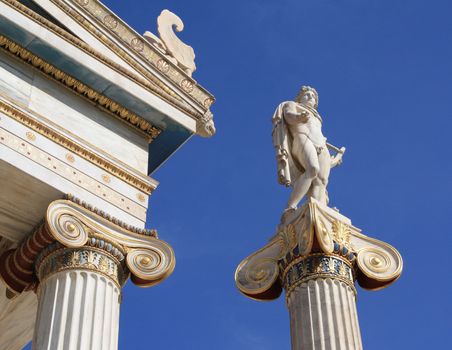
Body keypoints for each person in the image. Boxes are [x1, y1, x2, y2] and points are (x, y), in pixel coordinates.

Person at [272, 86, 344, 217]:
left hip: (321, 145)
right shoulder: (292, 104)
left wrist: (333, 161)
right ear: (300, 97)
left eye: (313, 96)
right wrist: (299, 117)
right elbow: (288, 116)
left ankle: (320, 209)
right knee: (312, 169)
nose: (311, 97)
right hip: (302, 138)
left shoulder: (318, 117)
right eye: (307, 95)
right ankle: (290, 208)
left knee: (321, 181)